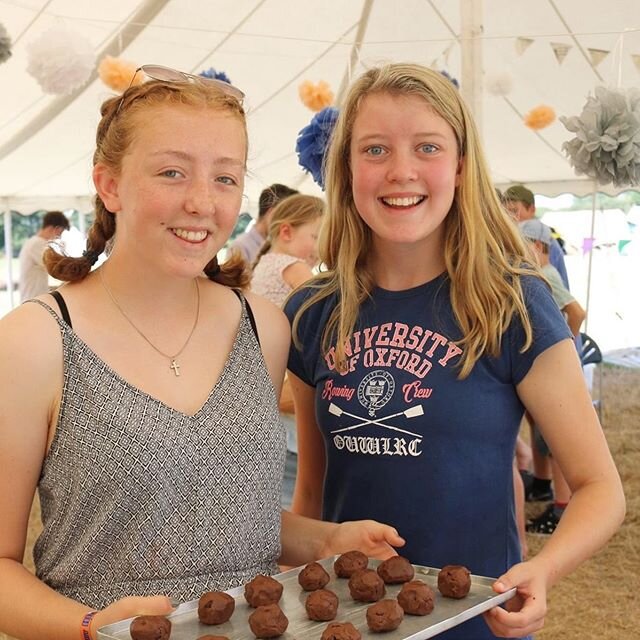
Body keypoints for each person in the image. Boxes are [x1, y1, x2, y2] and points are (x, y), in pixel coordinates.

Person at [0, 67, 405, 640]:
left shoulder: (262, 328)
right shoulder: (33, 342)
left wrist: (325, 540)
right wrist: (89, 626)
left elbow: (228, 517)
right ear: (109, 184)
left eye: (225, 178)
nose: (201, 202)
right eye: (172, 172)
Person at [284, 63, 625, 640]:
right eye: (374, 149)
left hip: (475, 621)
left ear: (461, 165)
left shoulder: (511, 303)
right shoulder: (313, 311)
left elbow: (599, 488)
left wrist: (543, 568)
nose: (401, 171)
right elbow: (315, 489)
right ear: (345, 168)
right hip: (345, 621)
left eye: (427, 147)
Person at [251, 193, 325, 507]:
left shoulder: (262, 264)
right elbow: (325, 300)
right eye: (315, 236)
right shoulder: (290, 265)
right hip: (285, 374)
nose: (320, 247)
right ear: (286, 232)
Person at [519, 219, 587, 535]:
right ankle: (544, 485)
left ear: (537, 246)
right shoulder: (536, 275)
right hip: (537, 366)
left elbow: (577, 312)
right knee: (540, 431)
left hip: (553, 368)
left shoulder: (546, 276)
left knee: (556, 438)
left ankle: (561, 508)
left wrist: (567, 346)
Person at [503, 184, 570, 289]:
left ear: (532, 209)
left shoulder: (545, 240)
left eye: (514, 211)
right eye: (506, 212)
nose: (510, 217)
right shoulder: (512, 237)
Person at [228, 183, 298, 263]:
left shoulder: (278, 246)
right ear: (272, 213)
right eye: (287, 216)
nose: (290, 225)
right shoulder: (240, 247)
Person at [18, 210, 70, 301]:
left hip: (34, 297)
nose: (59, 236)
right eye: (60, 232)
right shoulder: (37, 244)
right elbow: (57, 268)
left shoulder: (35, 242)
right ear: (54, 228)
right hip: (33, 299)